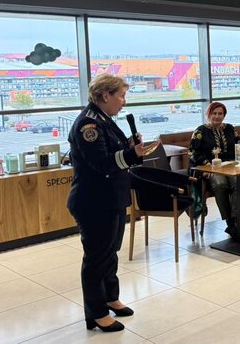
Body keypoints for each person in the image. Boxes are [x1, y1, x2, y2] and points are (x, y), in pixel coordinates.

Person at [67, 74, 157, 332]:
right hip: (94, 201)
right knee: (96, 258)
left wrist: (130, 147)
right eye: (121, 96)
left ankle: (110, 297)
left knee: (110, 253)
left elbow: (113, 152)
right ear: (105, 95)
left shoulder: (104, 119)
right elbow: (103, 163)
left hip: (112, 197)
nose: (123, 101)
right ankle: (96, 313)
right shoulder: (88, 125)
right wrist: (130, 154)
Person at [189, 101, 240, 236]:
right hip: (209, 169)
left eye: (220, 114)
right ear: (209, 114)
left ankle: (238, 220)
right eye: (214, 113)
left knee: (238, 182)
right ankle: (229, 222)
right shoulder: (200, 131)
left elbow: (239, 144)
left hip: (230, 167)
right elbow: (192, 152)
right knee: (220, 184)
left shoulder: (229, 128)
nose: (217, 116)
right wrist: (206, 166)